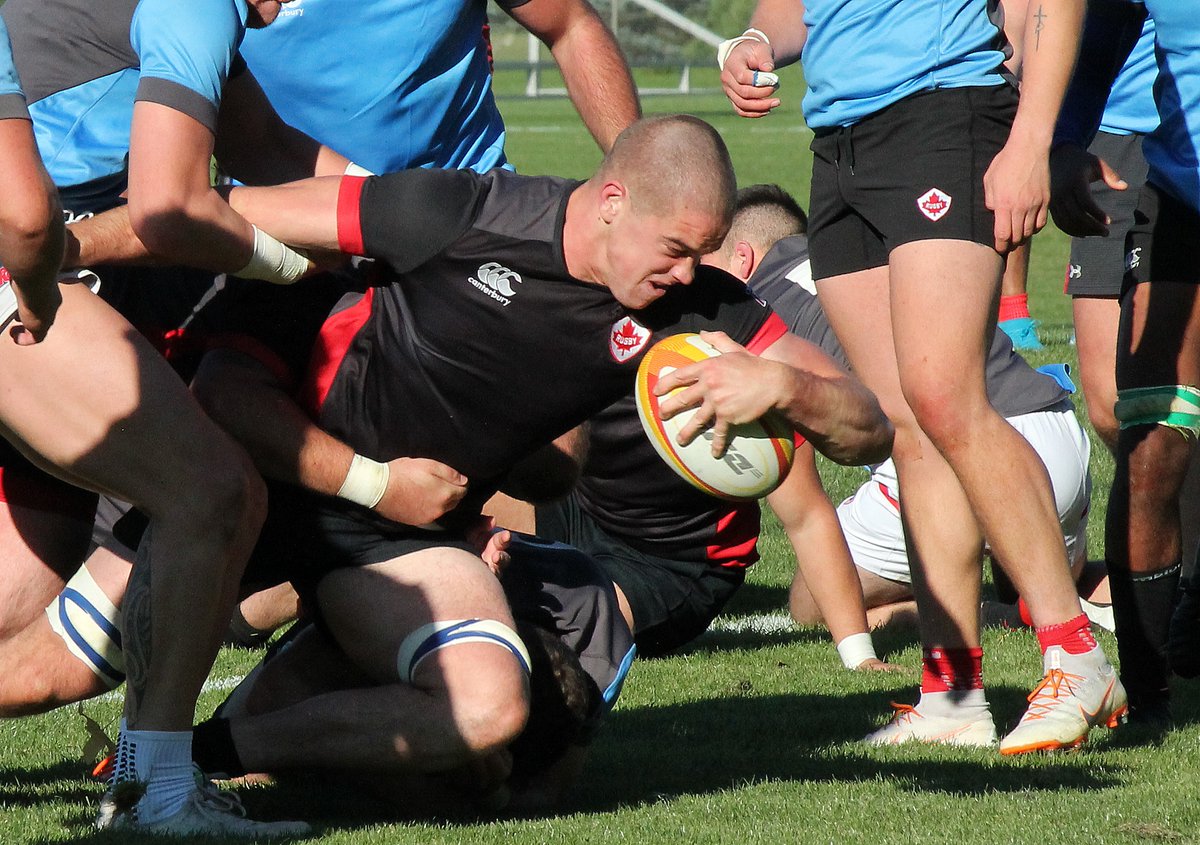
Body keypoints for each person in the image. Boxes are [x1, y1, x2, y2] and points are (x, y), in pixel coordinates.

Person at [183, 115, 891, 785]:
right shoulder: (489, 231)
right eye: (675, 251)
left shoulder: (703, 312)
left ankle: (215, 746)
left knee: (521, 778)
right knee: (123, 627)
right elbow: (229, 210)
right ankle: (216, 716)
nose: (683, 275)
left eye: (698, 256)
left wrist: (785, 385)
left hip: (595, 552)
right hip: (458, 489)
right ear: (612, 204)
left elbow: (865, 432)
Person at [721, 0, 1125, 753]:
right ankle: (954, 692)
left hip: (943, 114)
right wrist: (753, 41)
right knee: (904, 420)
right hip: (838, 138)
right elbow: (794, 10)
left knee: (945, 396)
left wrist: (1033, 136)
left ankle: (1077, 654)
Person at [0, 0, 344, 835]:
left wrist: (414, 210)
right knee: (216, 494)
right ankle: (155, 792)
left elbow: (268, 147)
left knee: (23, 603)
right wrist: (283, 259)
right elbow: (143, 209)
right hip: (19, 274)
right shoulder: (195, 2)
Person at [191, 535, 636, 813]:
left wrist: (480, 791)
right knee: (260, 735)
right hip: (394, 555)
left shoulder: (595, 658)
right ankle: (238, 613)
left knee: (277, 750)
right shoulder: (572, 592)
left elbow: (540, 797)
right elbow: (277, 697)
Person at [1049, 0, 1200, 727]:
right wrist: (1063, 145)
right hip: (1178, 202)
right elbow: (1104, 29)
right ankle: (1149, 700)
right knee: (1149, 439)